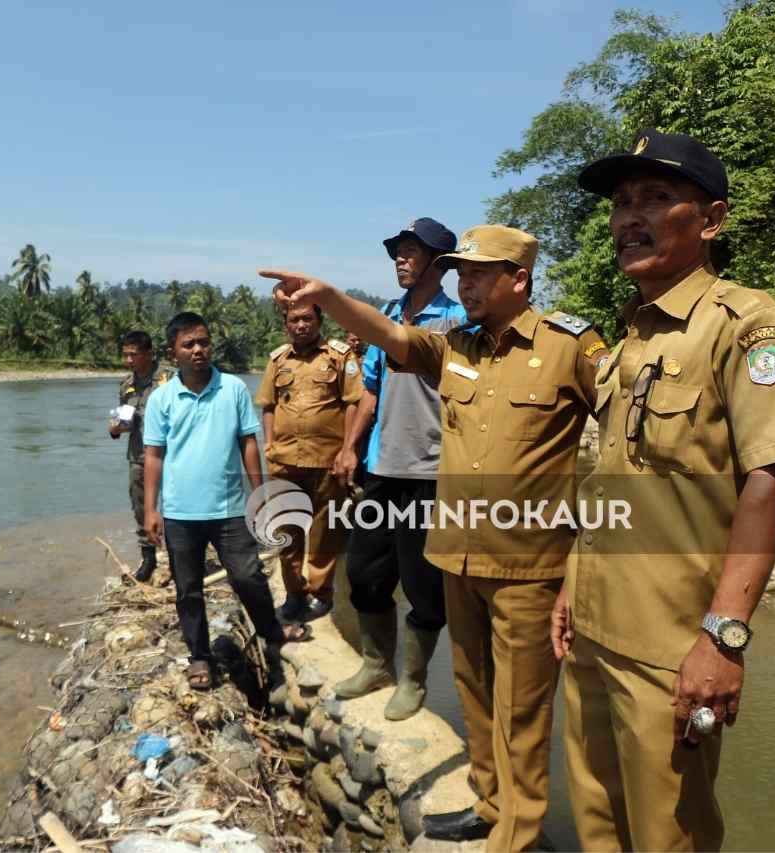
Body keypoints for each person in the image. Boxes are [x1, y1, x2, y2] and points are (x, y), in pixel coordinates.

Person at [261, 223, 608, 851]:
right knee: (475, 692)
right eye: (460, 272)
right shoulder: (455, 346)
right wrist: (330, 297)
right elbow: (388, 334)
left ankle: (519, 833)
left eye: (476, 273)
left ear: (518, 278)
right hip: (458, 553)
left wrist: (592, 544)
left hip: (529, 566)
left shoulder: (569, 347)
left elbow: (625, 438)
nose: (463, 283)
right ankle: (488, 802)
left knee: (523, 710)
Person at [552, 130, 775, 851]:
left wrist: (723, 637)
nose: (629, 216)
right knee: (598, 823)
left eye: (657, 198)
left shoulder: (747, 326)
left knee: (671, 834)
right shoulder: (628, 340)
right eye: (622, 201)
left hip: (672, 646)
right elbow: (605, 476)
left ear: (712, 219)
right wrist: (574, 582)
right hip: (597, 636)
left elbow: (772, 475)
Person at [309, 216, 466, 723]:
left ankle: (415, 678)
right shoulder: (387, 314)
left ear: (438, 263)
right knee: (365, 571)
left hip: (432, 472)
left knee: (423, 584)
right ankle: (378, 665)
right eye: (396, 251)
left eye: (410, 251)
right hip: (382, 466)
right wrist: (351, 446)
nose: (400, 258)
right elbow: (370, 388)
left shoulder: (459, 321)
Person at [141, 312, 310, 691]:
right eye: (189, 344)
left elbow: (248, 442)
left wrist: (261, 494)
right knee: (188, 588)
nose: (198, 350)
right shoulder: (161, 400)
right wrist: (151, 510)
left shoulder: (232, 389)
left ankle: (271, 631)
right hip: (181, 512)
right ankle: (200, 657)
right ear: (174, 351)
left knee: (247, 575)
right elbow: (153, 455)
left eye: (203, 342)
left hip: (231, 508)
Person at [256, 304, 362, 623]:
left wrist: (348, 449)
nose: (301, 325)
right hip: (285, 460)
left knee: (324, 532)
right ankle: (293, 594)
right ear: (286, 324)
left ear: (319, 321)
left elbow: (354, 402)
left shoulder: (340, 356)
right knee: (287, 532)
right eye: (294, 320)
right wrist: (270, 444)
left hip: (327, 461)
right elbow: (269, 405)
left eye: (307, 319)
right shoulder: (277, 360)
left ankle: (321, 594)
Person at [109, 330, 172, 582]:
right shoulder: (126, 385)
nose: (128, 360)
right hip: (138, 455)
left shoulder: (170, 379)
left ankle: (180, 557)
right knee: (140, 506)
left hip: (172, 456)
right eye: (125, 355)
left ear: (148, 353)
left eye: (133, 354)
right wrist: (115, 428)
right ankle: (148, 558)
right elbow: (120, 421)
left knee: (176, 505)